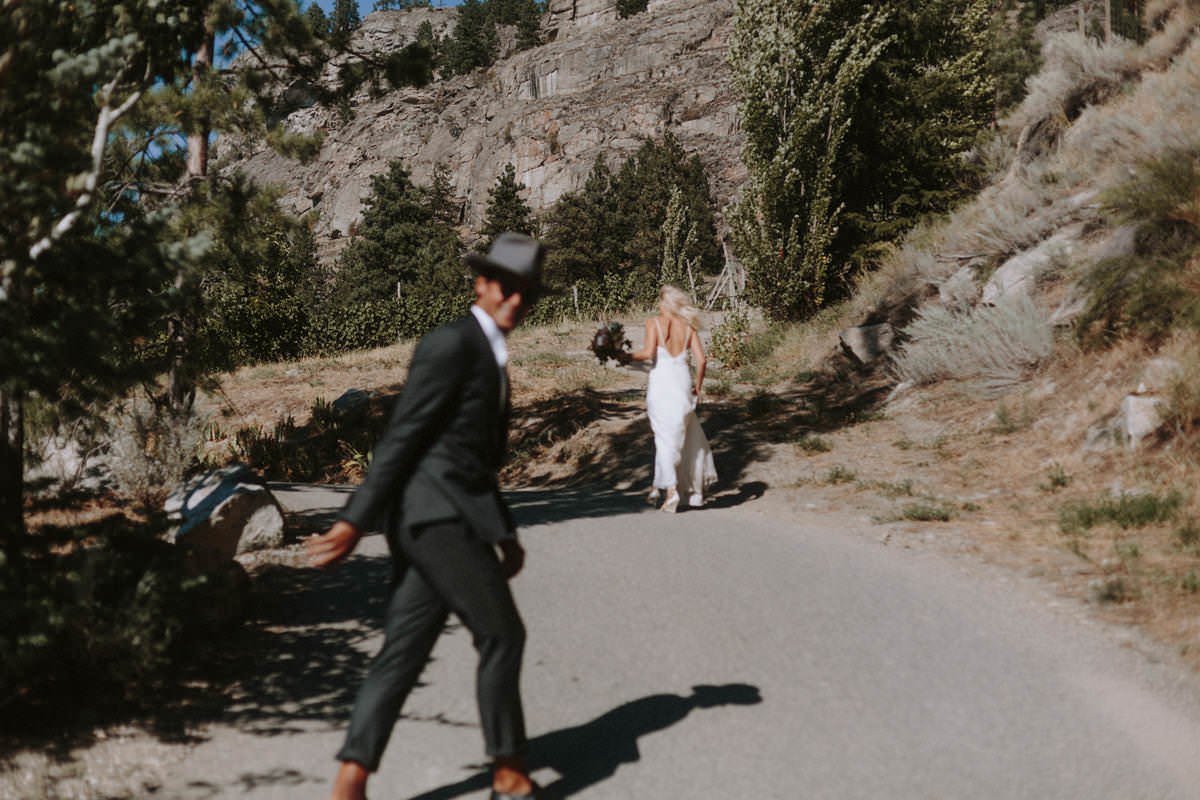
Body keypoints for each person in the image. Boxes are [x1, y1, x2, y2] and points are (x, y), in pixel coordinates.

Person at [306, 232, 546, 800]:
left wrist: (505, 533)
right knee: (503, 634)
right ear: (482, 284)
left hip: (445, 518)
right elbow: (402, 437)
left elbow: (472, 460)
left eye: (526, 295)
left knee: (403, 651)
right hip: (437, 520)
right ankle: (508, 770)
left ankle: (351, 777)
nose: (515, 301)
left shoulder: (487, 351)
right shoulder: (452, 343)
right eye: (506, 288)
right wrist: (352, 520)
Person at [622, 285, 717, 512]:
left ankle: (672, 491)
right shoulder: (688, 327)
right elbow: (702, 361)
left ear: (664, 303)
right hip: (682, 383)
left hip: (662, 384)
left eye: (659, 300)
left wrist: (621, 355)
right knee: (679, 437)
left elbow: (646, 354)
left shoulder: (653, 323)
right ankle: (662, 488)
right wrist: (698, 387)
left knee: (664, 438)